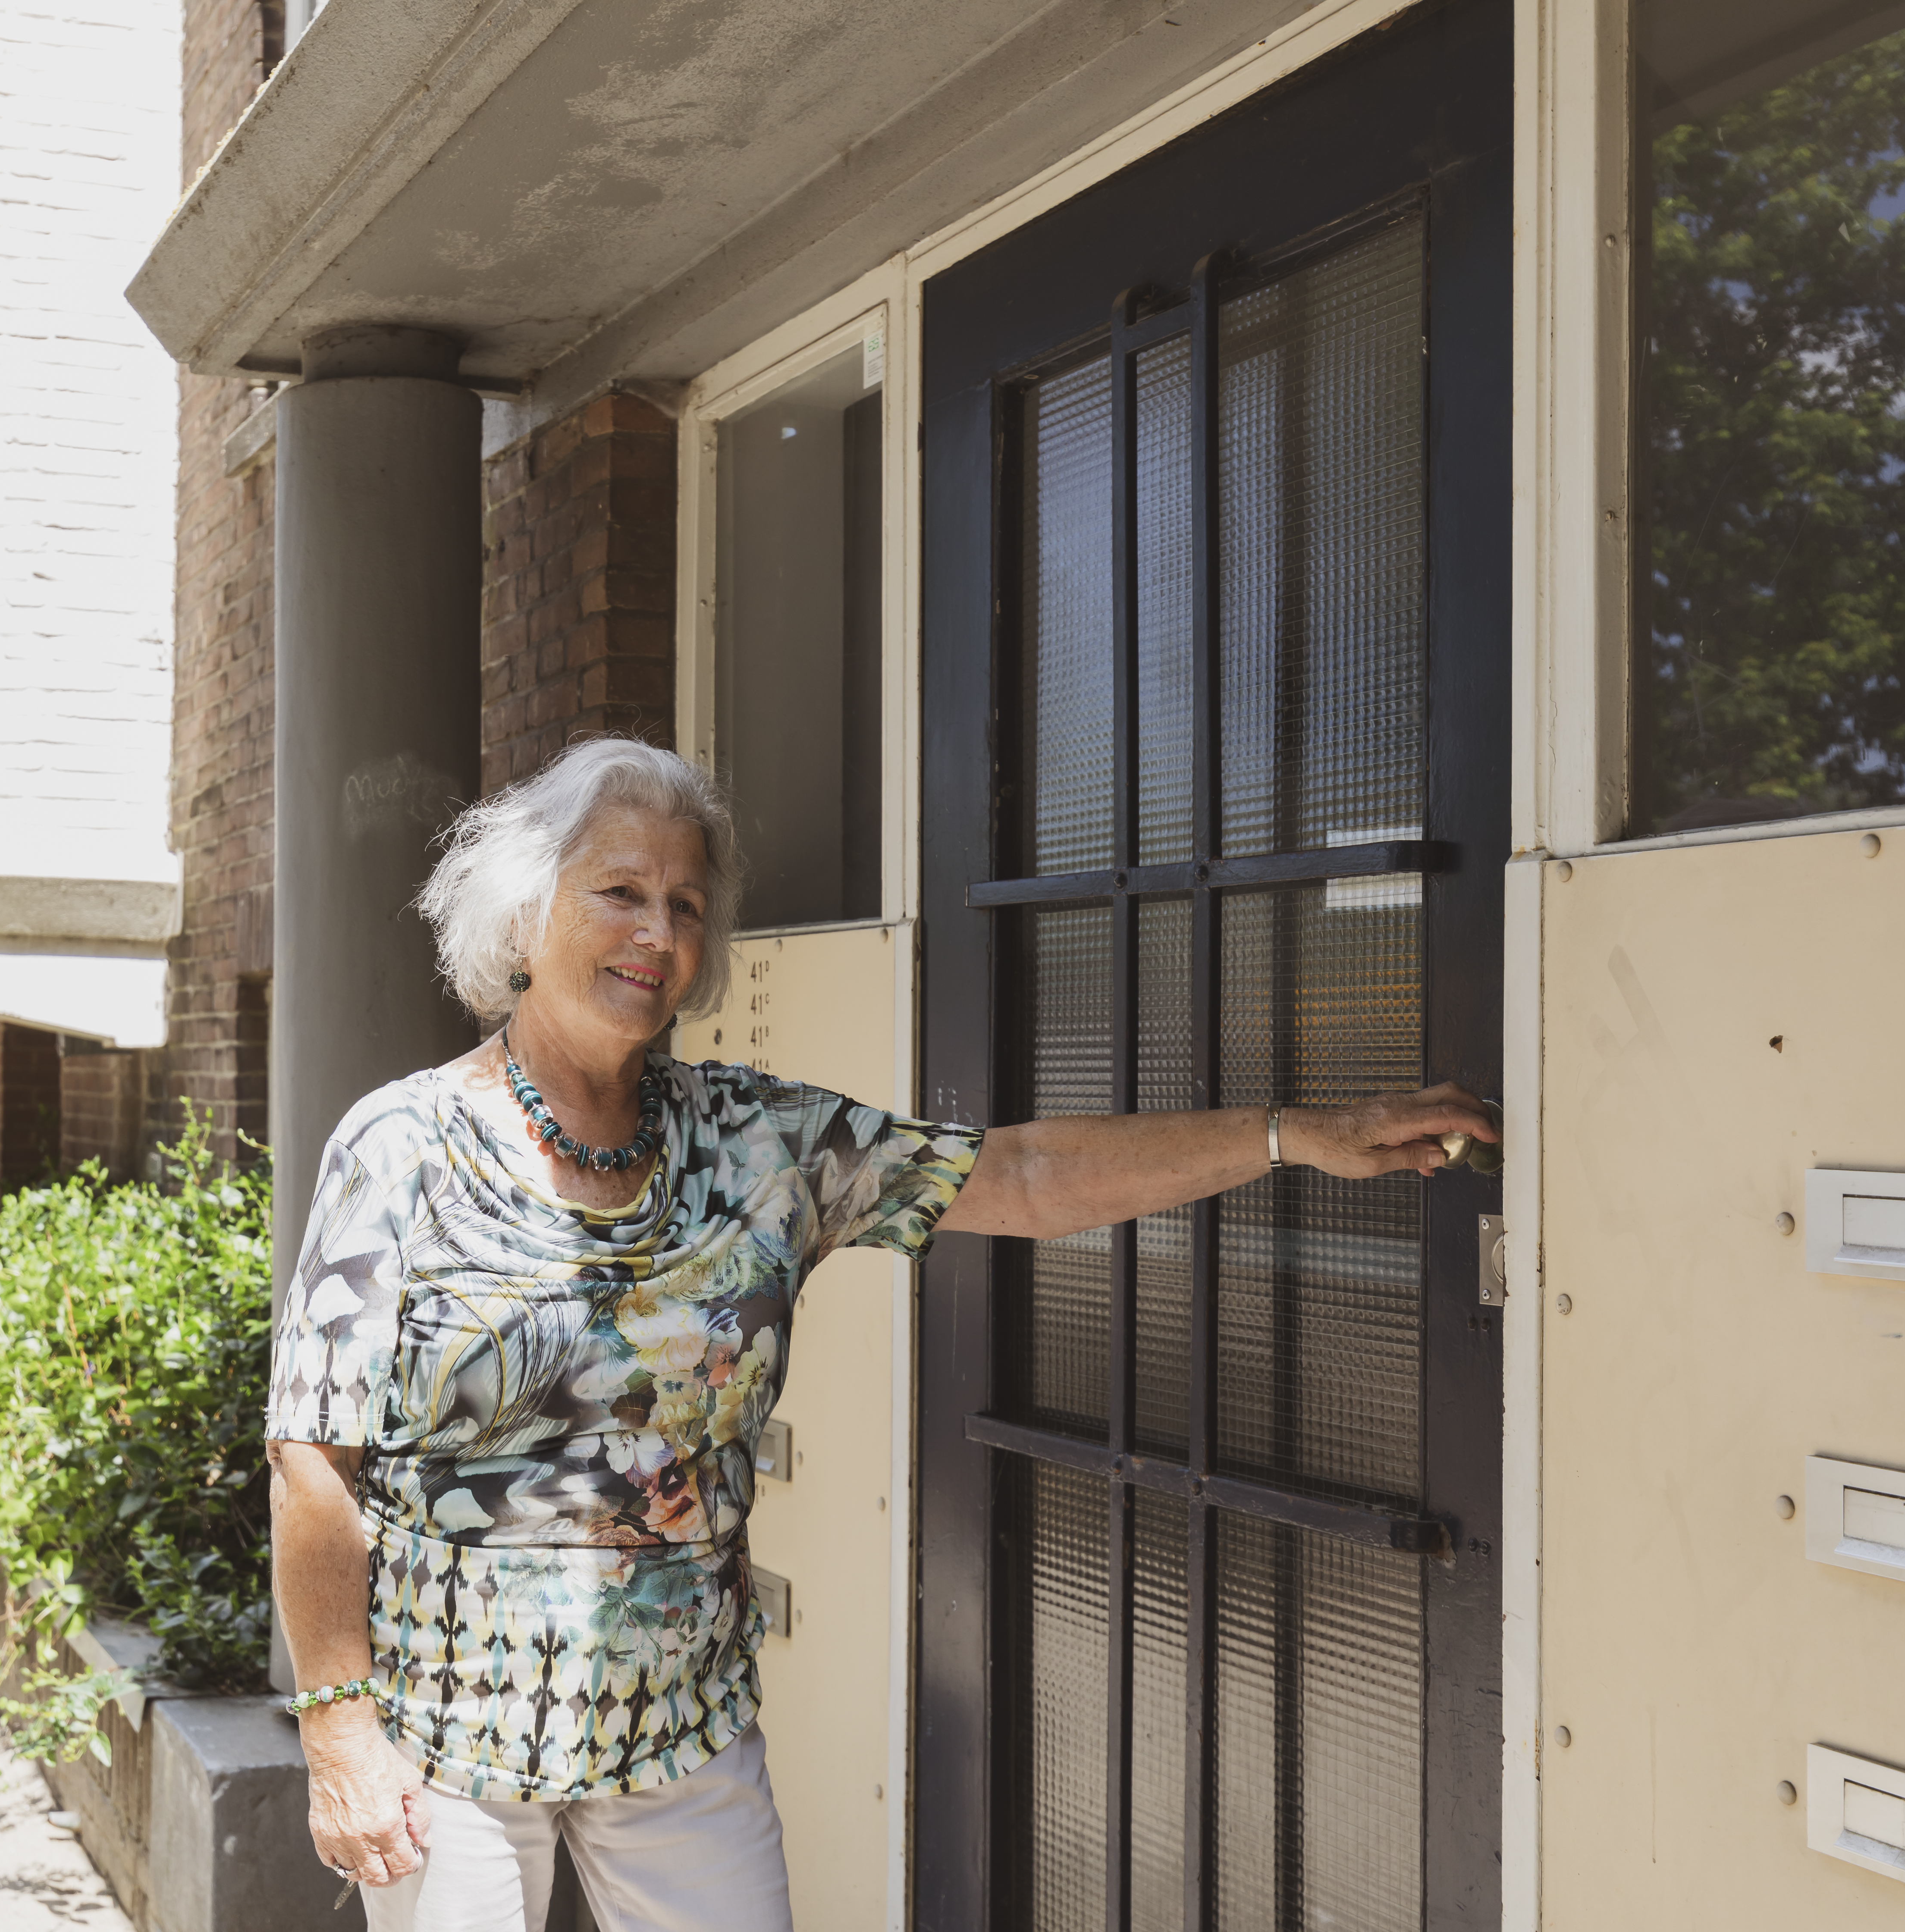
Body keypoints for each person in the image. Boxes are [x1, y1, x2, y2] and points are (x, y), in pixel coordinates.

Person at [266, 737, 1492, 1932]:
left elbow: (1021, 1175)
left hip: (683, 1730)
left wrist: (1291, 1134)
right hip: (450, 1738)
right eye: (621, 893)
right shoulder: (403, 1146)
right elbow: (315, 1456)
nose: (660, 935)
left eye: (687, 905)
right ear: (524, 912)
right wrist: (338, 1726)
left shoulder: (758, 1141)